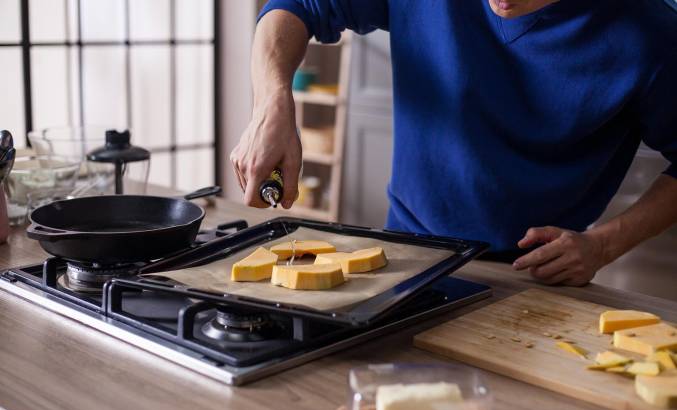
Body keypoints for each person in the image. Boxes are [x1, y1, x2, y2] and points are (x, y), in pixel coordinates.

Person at [230, 0, 677, 286]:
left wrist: (603, 245)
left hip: (538, 276)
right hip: (405, 253)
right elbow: (295, 6)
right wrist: (272, 103)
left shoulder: (649, 34)